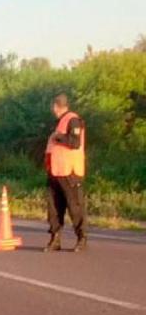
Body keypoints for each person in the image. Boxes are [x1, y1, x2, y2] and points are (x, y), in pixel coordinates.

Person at [44, 93, 87, 252]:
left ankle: (82, 238)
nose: (53, 109)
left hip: (70, 172)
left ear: (56, 106)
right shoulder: (59, 122)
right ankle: (55, 239)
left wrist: (58, 137)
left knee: (75, 206)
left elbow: (74, 143)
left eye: (53, 107)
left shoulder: (73, 120)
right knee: (54, 208)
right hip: (55, 172)